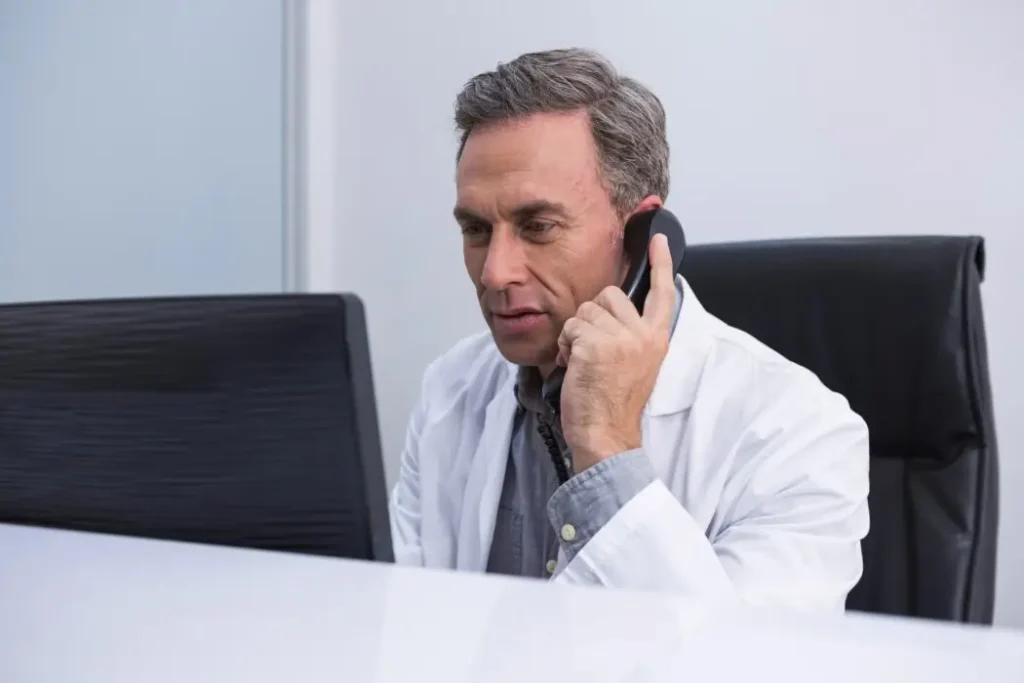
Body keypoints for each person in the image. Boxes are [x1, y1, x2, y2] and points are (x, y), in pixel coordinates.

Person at [389, 48, 869, 612]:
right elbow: (411, 628)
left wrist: (608, 448)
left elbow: (744, 663)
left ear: (642, 236)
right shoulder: (450, 390)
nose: (495, 272)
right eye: (475, 229)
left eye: (538, 227)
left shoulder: (797, 432)